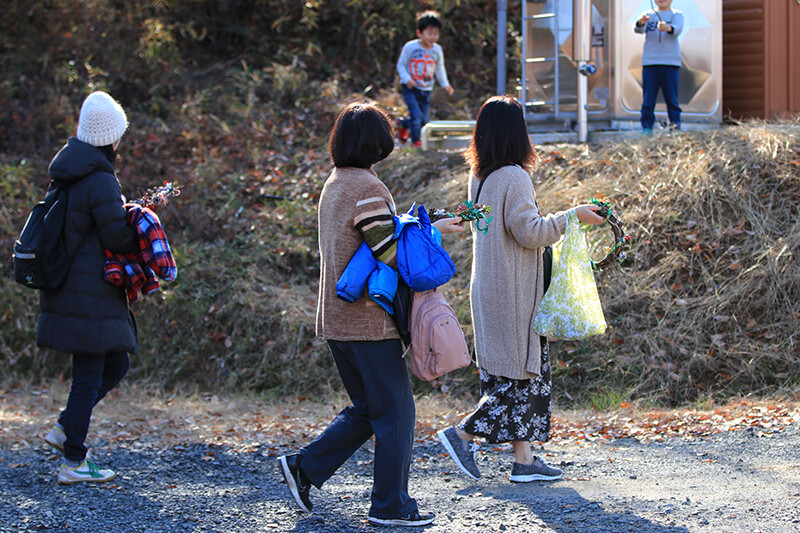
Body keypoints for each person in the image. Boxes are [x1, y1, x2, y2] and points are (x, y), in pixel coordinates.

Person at [277, 102, 463, 527]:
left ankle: (305, 468)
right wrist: (431, 237)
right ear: (374, 142)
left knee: (368, 408)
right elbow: (390, 251)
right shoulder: (368, 187)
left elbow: (377, 230)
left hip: (338, 321)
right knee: (396, 414)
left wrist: (431, 221)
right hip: (367, 321)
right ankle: (390, 507)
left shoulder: (336, 182)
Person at [436, 95, 605, 483]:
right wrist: (572, 216)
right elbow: (532, 234)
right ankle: (462, 434)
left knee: (505, 373)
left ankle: (524, 461)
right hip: (513, 291)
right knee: (522, 375)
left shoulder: (479, 177)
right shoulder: (514, 176)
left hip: (489, 288)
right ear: (517, 134)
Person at [37, 91, 141, 484]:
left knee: (116, 363)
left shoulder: (68, 171)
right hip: (90, 291)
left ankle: (65, 428)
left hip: (72, 288)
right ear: (109, 138)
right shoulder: (99, 179)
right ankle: (74, 461)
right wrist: (140, 221)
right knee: (90, 373)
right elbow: (117, 236)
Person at [396, 10, 454, 148]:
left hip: (426, 88)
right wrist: (406, 79)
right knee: (416, 116)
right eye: (429, 33)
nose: (433, 37)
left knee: (424, 120)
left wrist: (445, 84)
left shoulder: (437, 50)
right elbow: (401, 65)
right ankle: (417, 141)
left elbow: (440, 68)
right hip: (411, 87)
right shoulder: (411, 47)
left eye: (436, 34)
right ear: (419, 33)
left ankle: (403, 124)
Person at [634, 0, 684, 134]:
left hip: (670, 63)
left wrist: (668, 28)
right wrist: (641, 22)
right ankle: (647, 129)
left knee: (672, 99)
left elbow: (676, 29)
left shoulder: (677, 15)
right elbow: (638, 29)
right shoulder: (648, 14)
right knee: (648, 100)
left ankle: (675, 128)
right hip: (650, 63)